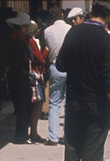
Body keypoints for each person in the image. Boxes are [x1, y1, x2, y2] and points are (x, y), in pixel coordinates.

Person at [56, 2, 110, 161]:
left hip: (74, 103)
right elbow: (109, 78)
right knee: (93, 154)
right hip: (97, 106)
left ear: (90, 12)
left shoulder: (73, 33)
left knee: (72, 150)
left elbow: (60, 64)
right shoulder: (107, 40)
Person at [5, 11, 35, 144]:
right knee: (23, 107)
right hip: (20, 76)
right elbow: (20, 59)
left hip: (16, 75)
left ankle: (21, 134)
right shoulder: (20, 39)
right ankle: (21, 135)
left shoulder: (15, 37)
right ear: (22, 25)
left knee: (21, 107)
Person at [44, 6, 72, 146]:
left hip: (55, 66)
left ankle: (53, 136)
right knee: (68, 103)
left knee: (54, 103)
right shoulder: (70, 29)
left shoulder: (47, 31)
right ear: (62, 14)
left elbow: (46, 48)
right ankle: (67, 135)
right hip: (70, 67)